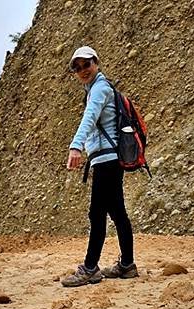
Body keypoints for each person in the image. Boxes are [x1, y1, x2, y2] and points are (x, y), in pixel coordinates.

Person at [61, 46, 139, 287]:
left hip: (107, 160)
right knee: (117, 213)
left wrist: (76, 146)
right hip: (108, 159)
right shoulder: (98, 88)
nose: (83, 70)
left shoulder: (100, 89)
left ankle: (90, 268)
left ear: (96, 62)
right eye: (78, 67)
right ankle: (127, 265)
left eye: (87, 64)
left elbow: (90, 117)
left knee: (97, 214)